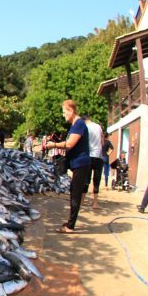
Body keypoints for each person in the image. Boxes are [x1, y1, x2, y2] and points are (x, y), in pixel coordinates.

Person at [45, 100, 91, 233]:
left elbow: (70, 144)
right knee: (73, 193)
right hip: (77, 164)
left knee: (75, 195)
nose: (63, 115)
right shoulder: (74, 125)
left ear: (71, 111)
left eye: (64, 112)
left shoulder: (79, 124)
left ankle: (70, 226)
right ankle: (71, 221)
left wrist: (53, 145)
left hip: (81, 164)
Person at [83, 116, 104, 209]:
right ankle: (95, 203)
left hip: (89, 156)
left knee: (86, 179)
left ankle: (82, 201)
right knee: (97, 180)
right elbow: (102, 142)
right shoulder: (99, 127)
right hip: (98, 156)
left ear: (84, 121)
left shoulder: (85, 127)